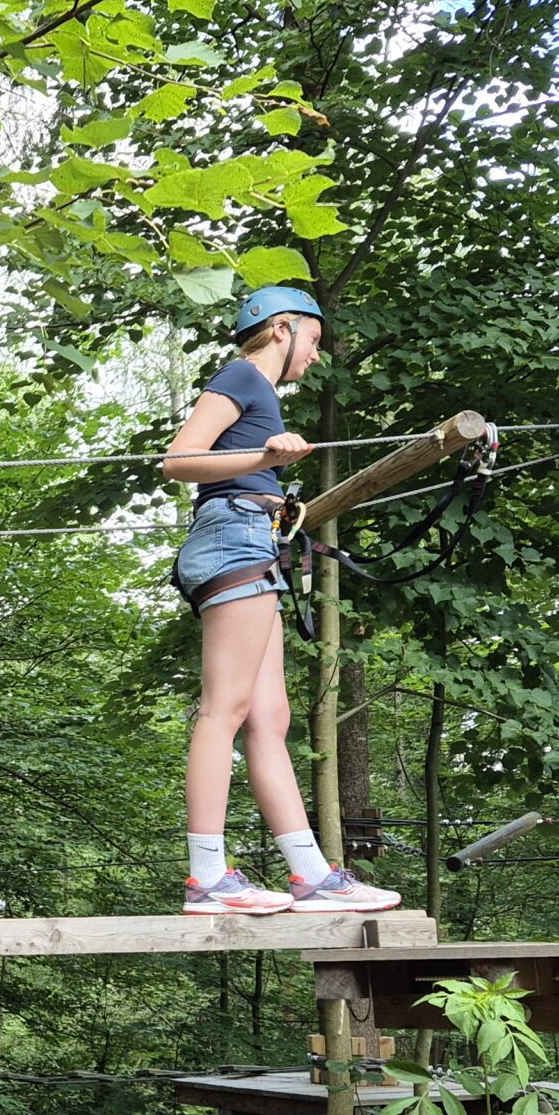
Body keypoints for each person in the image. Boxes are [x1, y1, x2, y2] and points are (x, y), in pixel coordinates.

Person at [163, 288, 401, 917]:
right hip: (231, 536)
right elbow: (179, 460)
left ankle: (309, 874)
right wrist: (267, 456)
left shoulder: (260, 393)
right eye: (314, 341)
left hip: (252, 538)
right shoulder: (243, 374)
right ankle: (207, 878)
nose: (317, 357)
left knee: (271, 719)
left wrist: (272, 471)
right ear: (281, 328)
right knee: (225, 709)